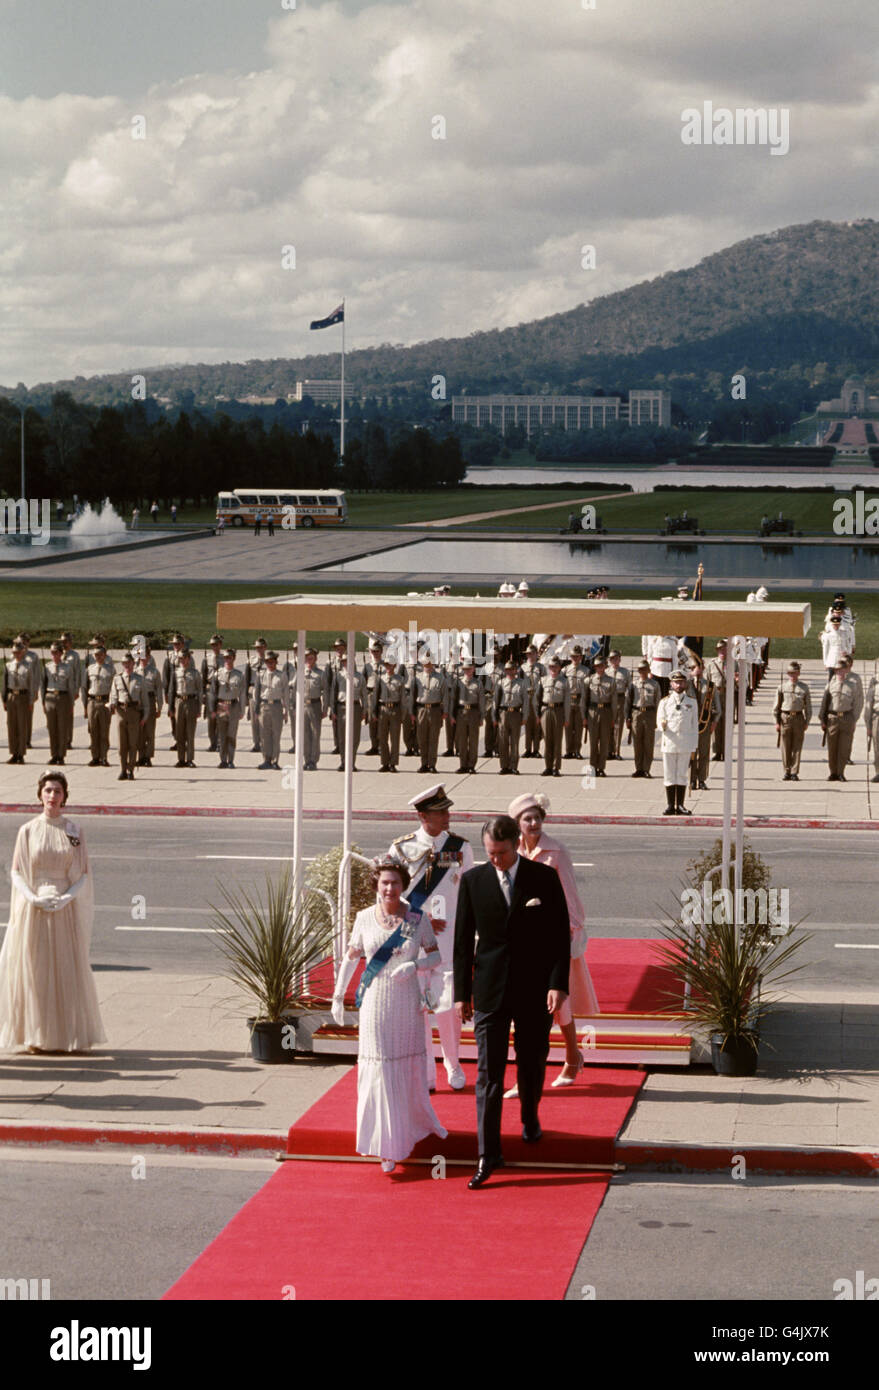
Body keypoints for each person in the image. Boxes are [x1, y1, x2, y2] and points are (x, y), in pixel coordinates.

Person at [454, 814, 570, 1190]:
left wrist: (558, 985)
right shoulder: (473, 881)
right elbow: (461, 942)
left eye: (501, 853)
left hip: (534, 989)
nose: (495, 861)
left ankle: (530, 1115)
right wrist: (461, 994)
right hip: (489, 991)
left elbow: (558, 937)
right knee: (488, 1074)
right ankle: (489, 1153)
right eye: (489, 853)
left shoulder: (543, 879)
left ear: (516, 845)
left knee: (532, 1060)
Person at [331, 859, 447, 1173]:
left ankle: (406, 1132)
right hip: (374, 1002)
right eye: (384, 882)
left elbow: (435, 955)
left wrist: (417, 966)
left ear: (403, 884)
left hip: (406, 1002)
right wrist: (339, 996)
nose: (389, 888)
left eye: (395, 882)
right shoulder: (364, 918)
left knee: (402, 1064)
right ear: (376, 885)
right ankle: (384, 1145)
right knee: (379, 1067)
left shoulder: (415, 917)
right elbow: (351, 958)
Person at [0, 771, 105, 1054]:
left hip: (63, 910)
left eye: (57, 791)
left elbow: (82, 873)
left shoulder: (73, 832)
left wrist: (66, 898)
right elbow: (17, 871)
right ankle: (37, 1035)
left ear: (64, 797)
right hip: (34, 910)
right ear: (40, 795)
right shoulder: (28, 831)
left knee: (65, 971)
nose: (52, 796)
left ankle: (64, 1035)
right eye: (48, 790)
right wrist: (32, 898)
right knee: (37, 972)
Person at [508, 793, 600, 1090]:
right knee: (526, 1007)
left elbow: (570, 894)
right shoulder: (513, 852)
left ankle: (572, 1056)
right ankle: (532, 1069)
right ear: (517, 824)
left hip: (553, 936)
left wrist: (572, 929)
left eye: (537, 818)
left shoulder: (556, 851)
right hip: (523, 939)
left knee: (559, 1003)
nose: (533, 824)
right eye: (527, 819)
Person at [388, 785, 474, 1092]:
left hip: (449, 939)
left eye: (448, 810)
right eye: (441, 812)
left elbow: (468, 894)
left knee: (448, 1005)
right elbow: (392, 896)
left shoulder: (460, 848)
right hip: (414, 936)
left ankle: (453, 1063)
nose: (448, 816)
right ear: (424, 816)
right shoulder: (401, 849)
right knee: (418, 1005)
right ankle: (426, 1068)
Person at [658, 670, 698, 815]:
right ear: (671, 684)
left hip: (685, 743)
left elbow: (694, 726)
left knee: (681, 774)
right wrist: (662, 724)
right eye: (676, 682)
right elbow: (659, 720)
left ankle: (680, 805)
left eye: (681, 682)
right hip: (669, 742)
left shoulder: (692, 702)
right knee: (669, 774)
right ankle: (670, 805)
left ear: (685, 683)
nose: (679, 685)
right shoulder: (665, 702)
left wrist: (694, 746)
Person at [819, 659, 863, 781]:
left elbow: (857, 703)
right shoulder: (830, 685)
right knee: (832, 747)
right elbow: (824, 703)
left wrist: (854, 719)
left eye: (841, 670)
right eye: (837, 670)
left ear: (845, 670)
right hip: (832, 718)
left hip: (846, 718)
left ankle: (840, 772)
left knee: (844, 747)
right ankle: (833, 772)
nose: (839, 672)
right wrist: (822, 719)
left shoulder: (852, 686)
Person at [109, 652, 145, 780]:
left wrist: (145, 716)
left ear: (133, 664)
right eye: (124, 663)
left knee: (133, 744)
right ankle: (123, 769)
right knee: (121, 744)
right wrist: (112, 704)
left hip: (134, 713)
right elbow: (113, 695)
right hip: (121, 712)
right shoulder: (117, 678)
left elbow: (144, 699)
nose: (127, 666)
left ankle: (131, 770)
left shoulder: (139, 679)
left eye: (129, 663)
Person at [209, 648, 247, 768]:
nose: (227, 660)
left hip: (233, 706)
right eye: (225, 657)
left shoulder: (239, 675)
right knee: (221, 735)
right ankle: (222, 760)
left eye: (229, 657)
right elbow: (213, 693)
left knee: (231, 735)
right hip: (221, 705)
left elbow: (242, 693)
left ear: (234, 658)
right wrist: (212, 710)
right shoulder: (217, 674)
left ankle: (231, 760)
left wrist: (242, 710)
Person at [773, 662, 811, 781]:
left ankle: (794, 771)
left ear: (798, 673)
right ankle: (786, 771)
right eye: (790, 673)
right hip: (785, 717)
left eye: (794, 673)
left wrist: (807, 721)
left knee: (797, 746)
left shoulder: (804, 688)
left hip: (799, 717)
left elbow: (808, 707)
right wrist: (776, 721)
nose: (792, 676)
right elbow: (776, 706)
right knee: (785, 746)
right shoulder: (782, 687)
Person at [625, 658, 661, 777]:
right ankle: (638, 768)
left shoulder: (654, 684)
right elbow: (628, 702)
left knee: (648, 742)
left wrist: (657, 719)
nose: (642, 672)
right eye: (640, 670)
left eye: (644, 669)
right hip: (637, 713)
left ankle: (646, 768)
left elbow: (658, 703)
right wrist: (627, 718)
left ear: (648, 670)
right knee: (637, 742)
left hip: (649, 713)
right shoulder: (633, 684)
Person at [41, 641, 75, 765]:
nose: (54, 655)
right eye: (52, 653)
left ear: (61, 653)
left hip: (63, 698)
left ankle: (61, 755)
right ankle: (53, 754)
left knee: (62, 728)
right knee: (52, 728)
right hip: (50, 697)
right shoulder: (47, 667)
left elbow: (70, 687)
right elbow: (43, 686)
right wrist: (43, 702)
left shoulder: (67, 667)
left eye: (56, 652)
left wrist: (71, 704)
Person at [3, 637, 33, 763]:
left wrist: (31, 701)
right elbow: (4, 684)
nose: (16, 654)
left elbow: (30, 685)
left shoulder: (27, 666)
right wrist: (4, 700)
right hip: (11, 696)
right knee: (11, 726)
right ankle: (13, 752)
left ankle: (21, 754)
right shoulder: (8, 665)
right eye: (14, 652)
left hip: (22, 696)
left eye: (18, 652)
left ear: (23, 652)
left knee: (22, 725)